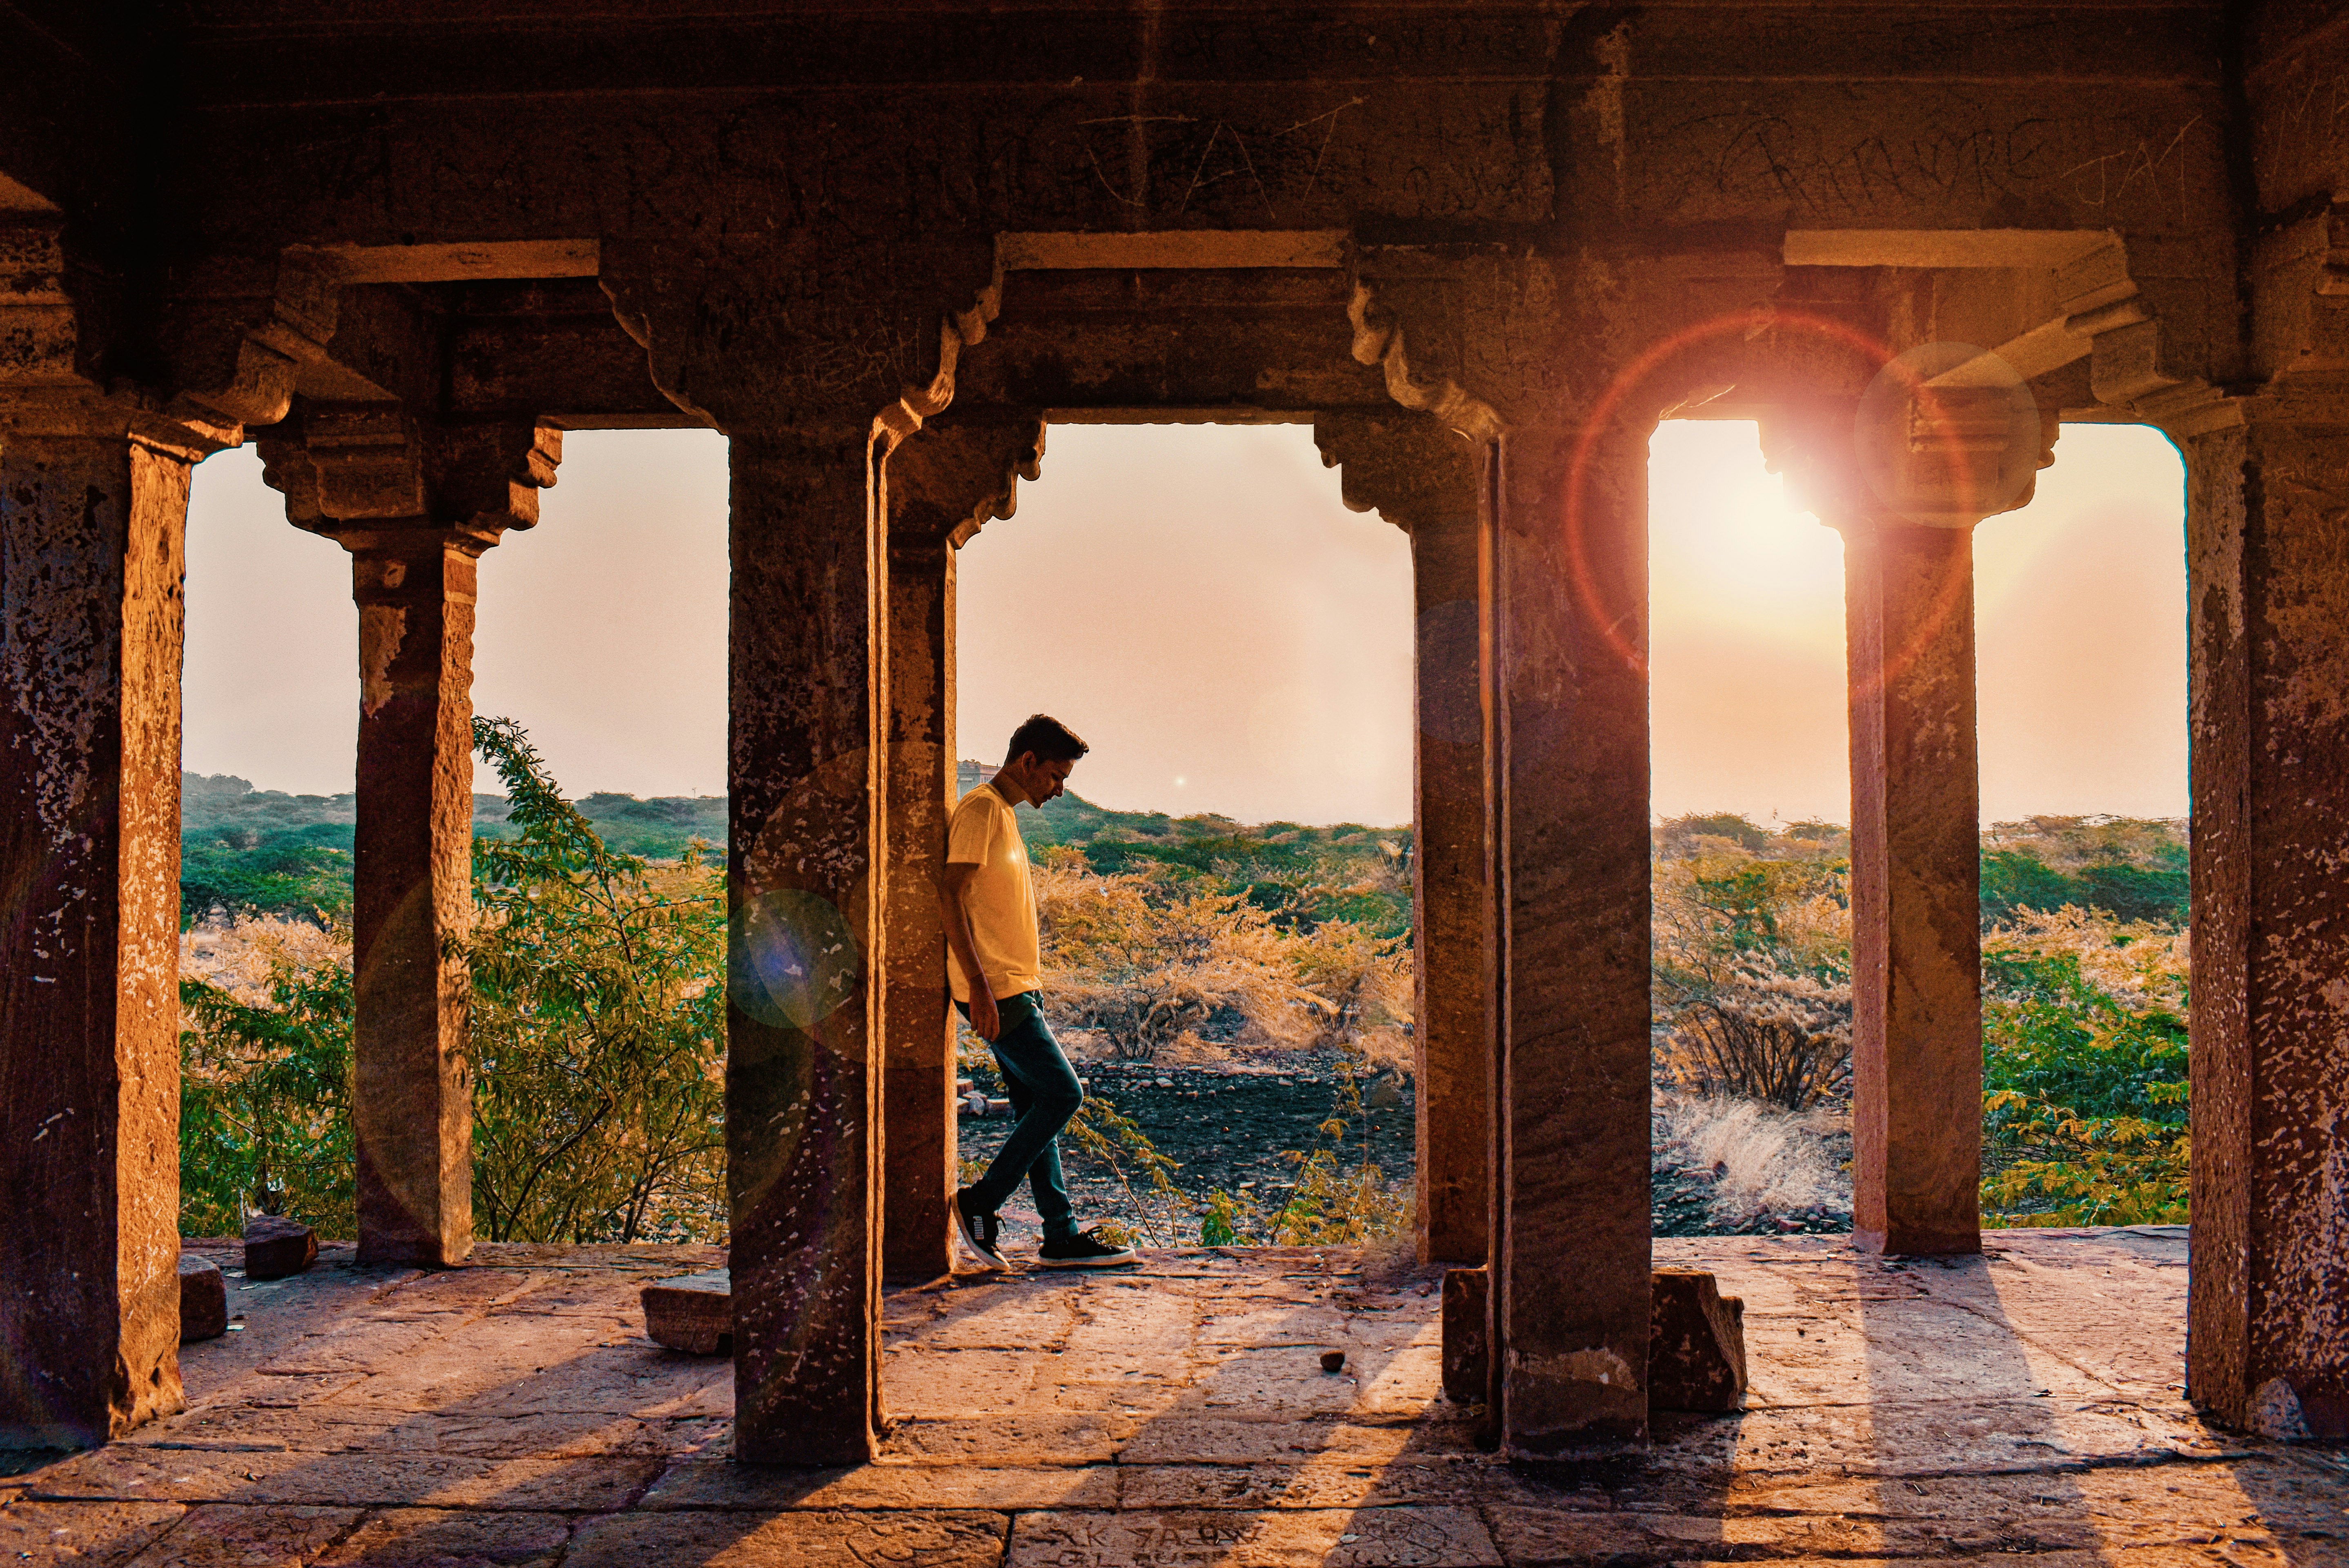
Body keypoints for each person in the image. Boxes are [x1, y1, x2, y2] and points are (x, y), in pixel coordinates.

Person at [940, 714, 1136, 1269]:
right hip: (997, 991)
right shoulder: (981, 809)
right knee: (1062, 1095)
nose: (1058, 789)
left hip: (1014, 987)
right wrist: (978, 986)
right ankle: (980, 1202)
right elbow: (948, 894)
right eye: (1054, 775)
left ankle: (1060, 1235)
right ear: (1026, 761)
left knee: (1035, 1106)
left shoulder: (999, 814)